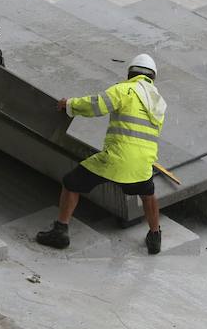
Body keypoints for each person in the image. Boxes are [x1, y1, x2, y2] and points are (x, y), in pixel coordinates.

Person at [36, 54, 167, 255]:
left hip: (115, 159)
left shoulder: (124, 90)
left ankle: (60, 231)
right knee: (148, 193)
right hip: (142, 165)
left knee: (72, 182)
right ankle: (155, 236)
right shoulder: (159, 104)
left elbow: (96, 105)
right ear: (152, 77)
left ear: (131, 73)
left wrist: (69, 105)